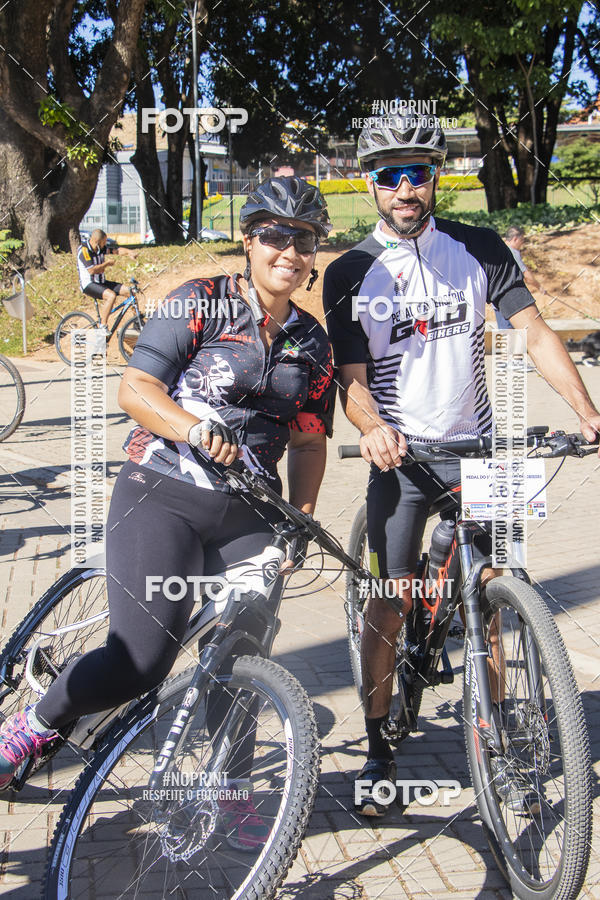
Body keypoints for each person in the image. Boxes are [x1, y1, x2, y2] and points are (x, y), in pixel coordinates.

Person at [0, 177, 335, 847]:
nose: (288, 251)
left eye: (302, 240)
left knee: (243, 643)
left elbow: (307, 438)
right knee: (142, 661)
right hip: (163, 493)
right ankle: (35, 723)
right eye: (274, 235)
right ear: (249, 240)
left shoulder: (312, 341)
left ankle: (229, 790)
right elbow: (136, 387)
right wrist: (188, 428)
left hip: (250, 516)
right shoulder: (202, 304)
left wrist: (301, 514)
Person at [323, 114, 600, 817]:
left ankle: (500, 745)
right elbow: (349, 378)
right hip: (404, 460)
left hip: (481, 450)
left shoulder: (480, 249)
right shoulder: (351, 271)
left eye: (419, 172)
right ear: (371, 184)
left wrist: (589, 410)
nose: (406, 187)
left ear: (436, 177)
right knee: (388, 601)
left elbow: (533, 333)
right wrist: (374, 426)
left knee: (495, 592)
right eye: (391, 175)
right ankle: (380, 749)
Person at [77, 228, 144, 329]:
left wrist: (129, 252)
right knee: (111, 296)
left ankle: (137, 322)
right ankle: (103, 326)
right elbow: (91, 270)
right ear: (97, 241)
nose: (105, 245)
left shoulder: (99, 248)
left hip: (101, 282)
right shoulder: (84, 250)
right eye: (103, 242)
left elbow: (116, 251)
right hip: (89, 284)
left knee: (130, 292)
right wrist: (106, 264)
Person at [494, 225, 548, 329]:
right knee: (514, 337)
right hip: (512, 302)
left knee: (504, 337)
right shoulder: (512, 252)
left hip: (497, 301)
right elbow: (526, 275)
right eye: (522, 240)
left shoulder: (498, 249)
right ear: (515, 239)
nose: (522, 243)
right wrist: (540, 287)